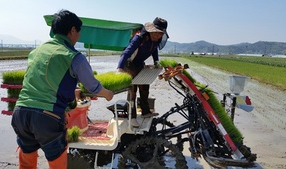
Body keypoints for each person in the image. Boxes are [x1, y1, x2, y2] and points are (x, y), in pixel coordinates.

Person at [11, 9, 114, 169]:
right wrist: (108, 94)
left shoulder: (36, 52)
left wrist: (70, 91)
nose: (78, 36)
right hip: (47, 117)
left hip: (20, 114)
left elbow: (41, 82)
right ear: (72, 30)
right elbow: (92, 86)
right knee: (57, 162)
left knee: (26, 161)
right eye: (78, 32)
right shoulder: (73, 56)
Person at [116, 17, 169, 128]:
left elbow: (154, 50)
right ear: (152, 30)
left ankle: (145, 112)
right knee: (132, 91)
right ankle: (132, 117)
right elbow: (126, 53)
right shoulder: (139, 38)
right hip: (129, 64)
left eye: (161, 33)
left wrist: (156, 62)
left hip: (140, 64)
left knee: (144, 87)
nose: (158, 35)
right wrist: (119, 68)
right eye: (157, 32)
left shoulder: (156, 41)